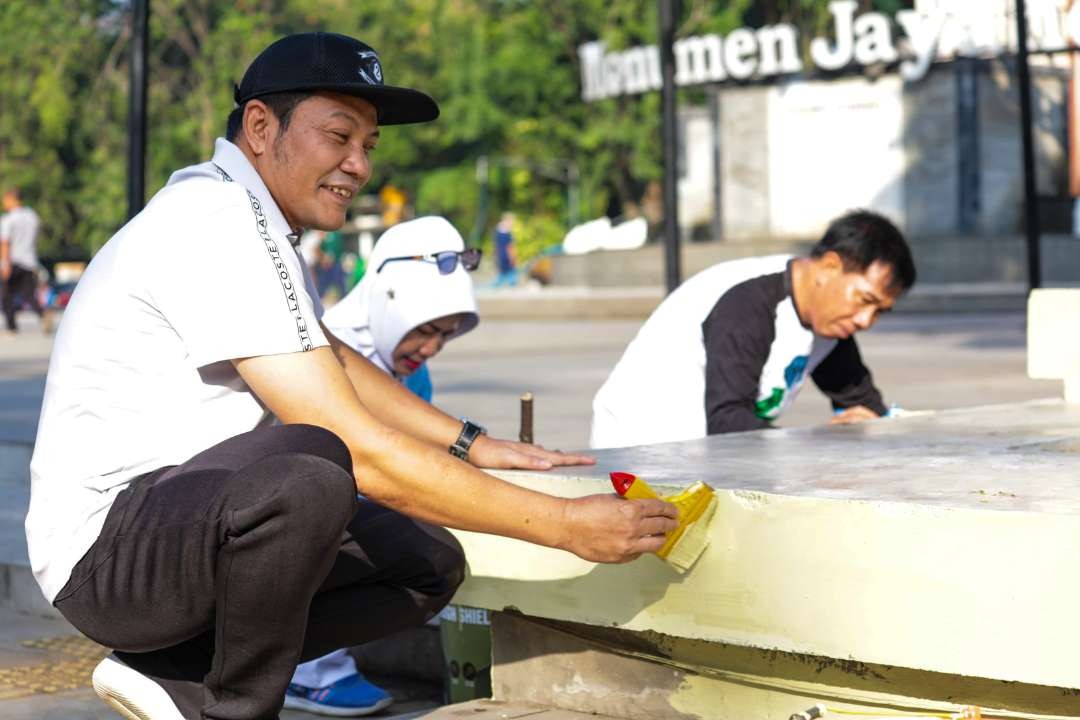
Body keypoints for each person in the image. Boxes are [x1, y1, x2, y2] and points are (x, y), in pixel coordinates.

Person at [25, 32, 677, 720]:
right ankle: (233, 711)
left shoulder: (248, 215)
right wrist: (565, 525)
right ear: (259, 127)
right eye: (339, 136)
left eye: (368, 145)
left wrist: (472, 443)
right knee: (313, 469)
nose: (358, 164)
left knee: (426, 563)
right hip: (108, 555)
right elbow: (352, 444)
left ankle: (178, 676)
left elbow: (330, 356)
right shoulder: (215, 219)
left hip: (175, 531)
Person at [287, 215, 480, 716]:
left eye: (445, 337)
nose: (431, 348)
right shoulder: (321, 352)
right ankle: (309, 669)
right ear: (393, 301)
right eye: (427, 331)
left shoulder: (409, 368)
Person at [590, 210, 916, 449]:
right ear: (830, 267)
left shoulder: (830, 322)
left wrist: (866, 425)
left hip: (704, 460)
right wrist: (820, 445)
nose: (865, 320)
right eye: (864, 299)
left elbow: (864, 405)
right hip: (639, 456)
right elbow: (729, 425)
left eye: (879, 311)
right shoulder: (747, 302)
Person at [0, 187, 44, 334]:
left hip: (13, 261)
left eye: (5, 200)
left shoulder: (8, 219)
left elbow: (5, 243)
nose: (3, 203)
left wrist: (4, 264)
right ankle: (42, 314)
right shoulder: (32, 216)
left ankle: (11, 327)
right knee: (28, 294)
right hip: (29, 260)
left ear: (12, 199)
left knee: (6, 295)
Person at [491, 212, 518, 287]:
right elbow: (510, 246)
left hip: (501, 253)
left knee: (504, 270)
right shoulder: (507, 232)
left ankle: (501, 284)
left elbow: (496, 244)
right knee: (510, 270)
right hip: (506, 254)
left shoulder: (497, 230)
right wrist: (513, 256)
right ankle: (510, 284)